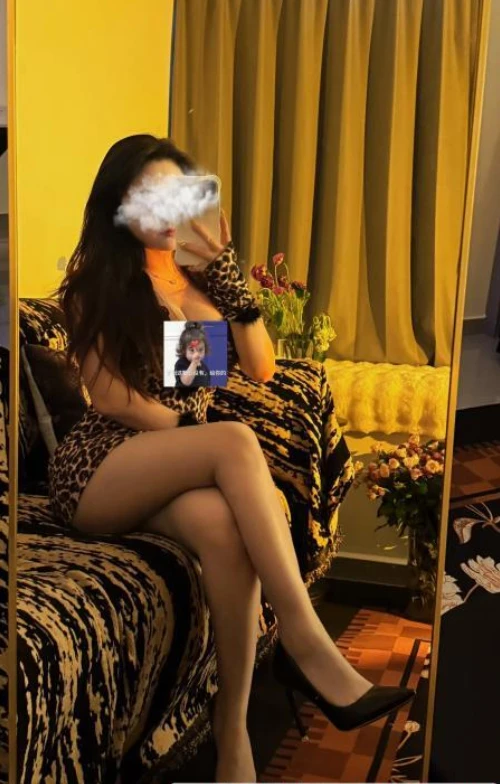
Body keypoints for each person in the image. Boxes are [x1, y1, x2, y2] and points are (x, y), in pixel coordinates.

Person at [47, 134, 414, 783]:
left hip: (169, 458)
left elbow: (258, 367)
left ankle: (233, 730)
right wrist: (196, 442)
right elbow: (114, 400)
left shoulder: (193, 285)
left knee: (224, 528)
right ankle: (304, 638)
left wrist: (229, 285)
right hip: (101, 466)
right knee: (236, 441)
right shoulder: (96, 284)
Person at [174, 321, 211, 388]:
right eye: (192, 350)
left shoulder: (205, 368)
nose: (196, 353)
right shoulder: (181, 363)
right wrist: (194, 363)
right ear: (184, 350)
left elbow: (207, 385)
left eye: (200, 349)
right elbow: (186, 382)